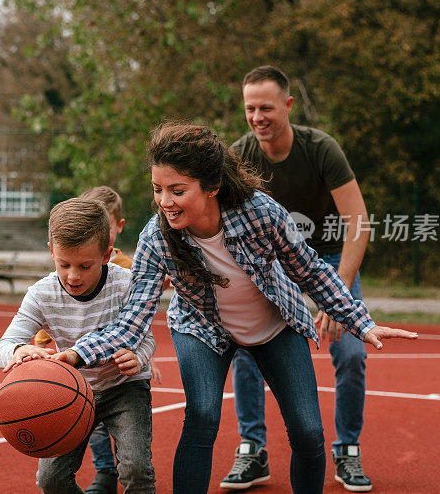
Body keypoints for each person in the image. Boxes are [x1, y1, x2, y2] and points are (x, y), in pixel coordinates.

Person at [49, 122, 417, 494]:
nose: (164, 201)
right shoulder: (156, 238)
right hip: (201, 328)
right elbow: (131, 323)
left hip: (274, 324)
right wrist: (78, 355)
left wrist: (360, 322)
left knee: (307, 430)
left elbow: (309, 270)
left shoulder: (260, 213)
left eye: (177, 190)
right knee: (203, 416)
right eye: (158, 189)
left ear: (211, 187)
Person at [221, 65, 373, 492]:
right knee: (246, 349)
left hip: (325, 258)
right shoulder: (239, 156)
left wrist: (336, 293)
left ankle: (347, 450)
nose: (257, 117)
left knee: (351, 355)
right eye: (250, 108)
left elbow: (358, 222)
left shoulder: (321, 149)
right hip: (270, 262)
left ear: (288, 105)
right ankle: (253, 450)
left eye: (266, 107)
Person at [0, 197, 157, 494]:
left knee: (135, 469)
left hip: (124, 388)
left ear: (106, 255)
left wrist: (139, 357)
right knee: (50, 480)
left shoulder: (125, 284)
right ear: (51, 251)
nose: (73, 275)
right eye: (63, 263)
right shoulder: (42, 294)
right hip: (73, 393)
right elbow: (0, 346)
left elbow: (144, 336)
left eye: (84, 265)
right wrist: (18, 351)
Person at [78, 186, 163, 494]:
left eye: (106, 226)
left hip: (120, 365)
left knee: (124, 425)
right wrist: (39, 340)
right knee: (95, 427)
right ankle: (104, 471)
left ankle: (125, 470)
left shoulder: (130, 268)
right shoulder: (77, 266)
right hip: (86, 368)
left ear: (119, 226)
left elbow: (140, 317)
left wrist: (144, 355)